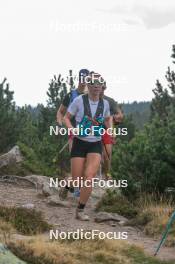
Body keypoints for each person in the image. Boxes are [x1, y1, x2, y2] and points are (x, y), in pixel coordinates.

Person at [63, 73, 112, 221]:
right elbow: (66, 117)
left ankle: (80, 210)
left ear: (102, 87)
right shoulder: (78, 100)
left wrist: (108, 129)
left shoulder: (105, 104)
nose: (96, 87)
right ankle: (67, 186)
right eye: (93, 84)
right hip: (79, 142)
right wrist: (72, 129)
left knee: (89, 178)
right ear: (88, 86)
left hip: (95, 143)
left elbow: (108, 118)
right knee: (77, 180)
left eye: (99, 84)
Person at [56, 69, 89, 151]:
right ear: (79, 78)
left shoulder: (93, 96)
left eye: (86, 78)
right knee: (75, 161)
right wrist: (59, 125)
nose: (83, 81)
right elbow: (60, 112)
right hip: (73, 131)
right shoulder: (71, 95)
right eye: (82, 78)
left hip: (90, 132)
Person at [101, 82, 124, 180]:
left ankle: (107, 174)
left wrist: (115, 117)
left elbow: (120, 114)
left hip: (107, 129)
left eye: (102, 87)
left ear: (104, 88)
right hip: (93, 129)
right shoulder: (88, 99)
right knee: (95, 154)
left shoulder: (109, 101)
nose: (100, 89)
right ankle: (95, 176)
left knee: (107, 154)